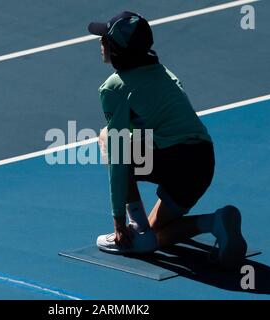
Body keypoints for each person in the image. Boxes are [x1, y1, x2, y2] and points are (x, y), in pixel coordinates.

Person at [88, 11, 247, 269]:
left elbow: (118, 156)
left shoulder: (113, 87)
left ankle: (133, 229)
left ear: (118, 48)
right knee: (152, 237)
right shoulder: (161, 71)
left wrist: (119, 222)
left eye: (105, 39)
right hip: (203, 162)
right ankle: (215, 222)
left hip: (175, 158)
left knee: (108, 138)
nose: (100, 43)